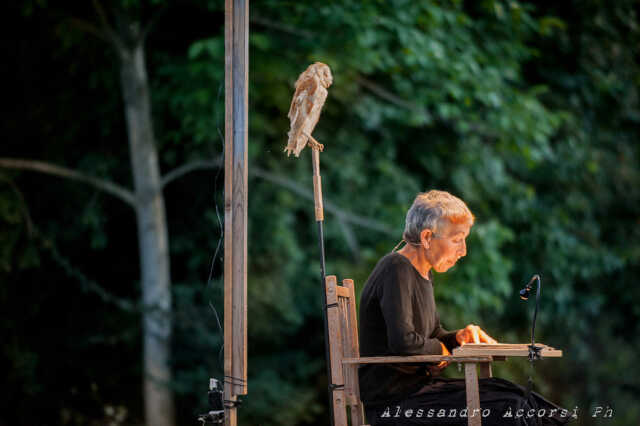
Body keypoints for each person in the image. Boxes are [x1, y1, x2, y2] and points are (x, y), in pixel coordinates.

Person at [358, 190, 573, 425]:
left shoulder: (422, 273)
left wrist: (458, 338)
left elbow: (431, 335)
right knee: (511, 407)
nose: (463, 251)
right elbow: (404, 342)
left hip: (419, 393)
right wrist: (440, 350)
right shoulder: (396, 268)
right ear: (428, 237)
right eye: (457, 239)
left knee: (519, 396)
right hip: (395, 403)